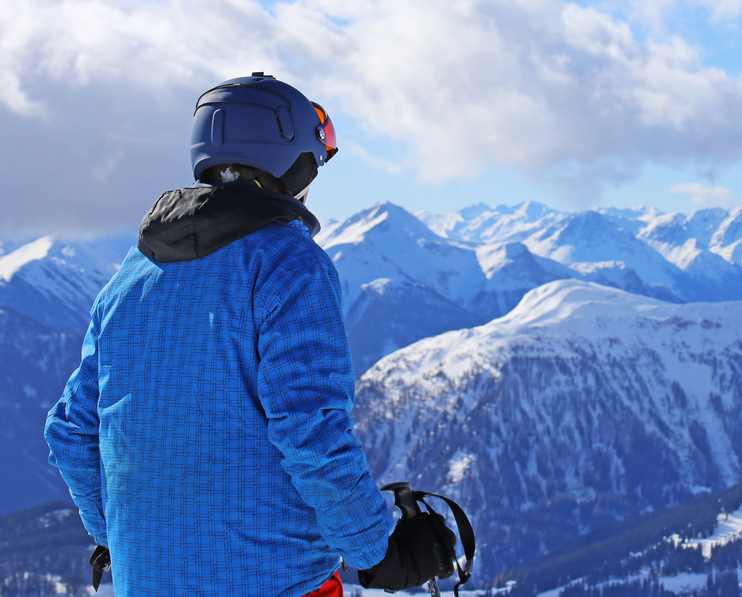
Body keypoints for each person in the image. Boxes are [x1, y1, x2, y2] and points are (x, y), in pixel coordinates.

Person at [45, 74, 446, 597]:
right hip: (279, 583)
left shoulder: (132, 276)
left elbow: (71, 432)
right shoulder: (288, 261)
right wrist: (380, 552)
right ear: (293, 159)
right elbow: (310, 429)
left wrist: (126, 539)